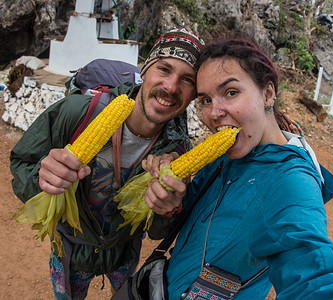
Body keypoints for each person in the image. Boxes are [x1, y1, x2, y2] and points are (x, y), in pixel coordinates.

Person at [10, 27, 205, 299]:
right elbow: (21, 165)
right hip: (71, 250)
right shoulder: (76, 112)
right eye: (164, 69)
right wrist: (42, 179)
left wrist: (169, 208)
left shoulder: (178, 150)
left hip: (122, 254)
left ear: (194, 94)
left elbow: (159, 231)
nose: (171, 87)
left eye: (187, 80)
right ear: (145, 70)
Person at [142, 37, 333, 299]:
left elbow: (313, 276)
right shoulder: (225, 157)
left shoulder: (291, 180)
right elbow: (190, 210)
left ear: (268, 94)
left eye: (231, 92)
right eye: (205, 100)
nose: (214, 113)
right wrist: (172, 200)